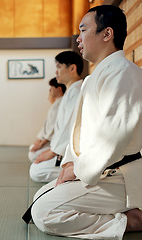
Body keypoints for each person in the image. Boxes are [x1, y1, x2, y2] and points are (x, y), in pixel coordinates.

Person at [29, 5, 142, 239]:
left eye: (83, 30)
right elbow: (79, 133)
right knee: (39, 197)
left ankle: (125, 222)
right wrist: (70, 165)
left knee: (43, 212)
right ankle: (124, 212)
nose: (78, 38)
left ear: (107, 34)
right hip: (100, 171)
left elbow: (113, 136)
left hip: (119, 176)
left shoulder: (125, 73)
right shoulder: (97, 77)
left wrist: (80, 170)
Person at [29, 51, 83, 183]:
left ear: (72, 68)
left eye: (59, 67)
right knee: (34, 164)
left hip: (67, 152)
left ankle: (78, 173)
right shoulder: (71, 92)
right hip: (60, 148)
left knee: (36, 171)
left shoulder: (76, 92)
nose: (56, 72)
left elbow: (69, 128)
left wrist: (52, 152)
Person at [28, 78, 66, 162]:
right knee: (32, 150)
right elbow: (46, 126)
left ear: (59, 89)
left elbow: (53, 128)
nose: (50, 90)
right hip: (48, 140)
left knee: (32, 155)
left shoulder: (61, 104)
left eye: (51, 88)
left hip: (52, 142)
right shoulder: (56, 103)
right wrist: (39, 140)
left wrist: (42, 143)